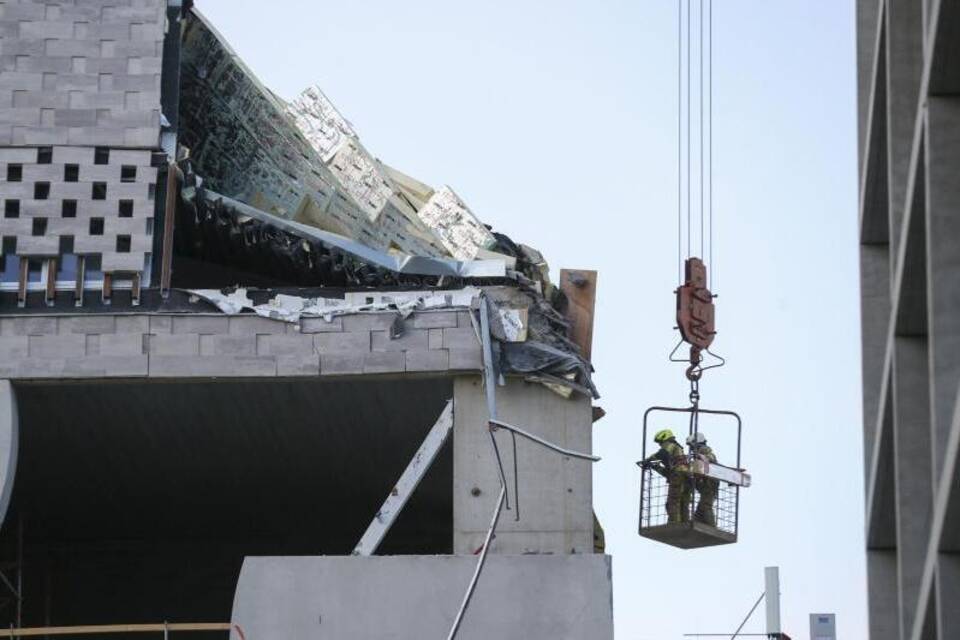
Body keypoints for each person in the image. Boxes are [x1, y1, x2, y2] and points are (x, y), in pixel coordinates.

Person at [640, 429, 691, 523]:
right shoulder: (677, 454)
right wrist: (656, 467)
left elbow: (662, 453)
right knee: (683, 503)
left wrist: (648, 459)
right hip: (686, 477)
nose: (660, 445)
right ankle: (684, 523)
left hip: (679, 475)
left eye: (660, 442)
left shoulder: (670, 444)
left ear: (665, 438)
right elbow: (668, 473)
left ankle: (674, 524)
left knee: (673, 502)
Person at [687, 431, 719, 526]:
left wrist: (701, 457)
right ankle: (696, 524)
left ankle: (713, 529)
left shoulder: (704, 450)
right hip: (706, 483)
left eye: (692, 446)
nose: (691, 448)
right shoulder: (698, 453)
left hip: (710, 482)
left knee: (705, 506)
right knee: (701, 509)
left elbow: (710, 457)